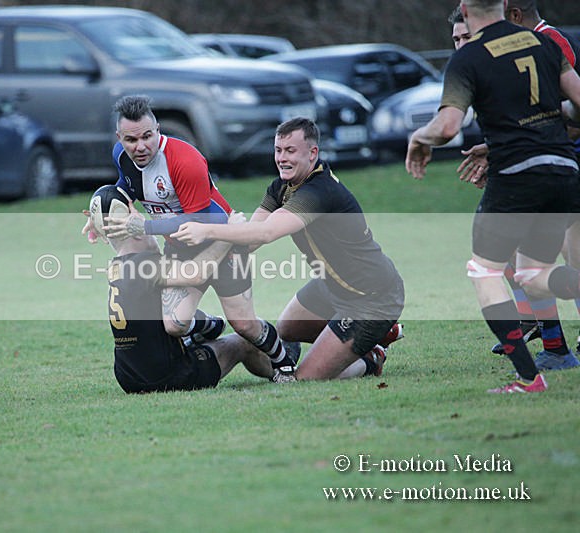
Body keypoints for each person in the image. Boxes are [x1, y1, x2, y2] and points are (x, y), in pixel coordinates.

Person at [405, 0, 580, 393]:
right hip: (565, 172)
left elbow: (449, 126)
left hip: (517, 178)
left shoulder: (469, 58)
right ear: (504, 5)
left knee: (484, 271)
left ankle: (528, 378)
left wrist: (420, 137)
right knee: (533, 277)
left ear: (465, 9)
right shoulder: (543, 44)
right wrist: (551, 122)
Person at [170, 117, 405, 381]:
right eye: (278, 150)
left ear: (312, 153)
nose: (282, 158)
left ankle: (371, 357)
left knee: (306, 378)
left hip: (371, 298)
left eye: (290, 151)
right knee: (286, 329)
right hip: (331, 284)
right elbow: (250, 239)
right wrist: (204, 260)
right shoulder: (281, 187)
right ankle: (371, 335)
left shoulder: (319, 191)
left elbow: (267, 232)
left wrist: (208, 230)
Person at [98, 94, 298, 383]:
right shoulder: (121, 156)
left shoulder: (184, 160)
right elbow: (125, 189)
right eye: (131, 140)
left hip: (223, 239)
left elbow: (205, 222)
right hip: (181, 245)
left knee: (243, 323)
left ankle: (284, 363)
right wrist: (100, 218)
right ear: (120, 137)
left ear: (158, 130)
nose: (140, 146)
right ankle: (211, 328)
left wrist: (146, 227)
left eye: (147, 136)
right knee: (175, 324)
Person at [455, 0, 580, 371]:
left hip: (559, 168)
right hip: (534, 170)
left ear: (511, 16)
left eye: (466, 35)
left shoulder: (547, 42)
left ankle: (553, 350)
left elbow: (552, 116)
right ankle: (552, 345)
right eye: (457, 39)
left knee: (566, 259)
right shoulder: (487, 57)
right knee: (520, 264)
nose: (463, 43)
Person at [90, 187, 274, 393]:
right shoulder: (144, 264)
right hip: (169, 375)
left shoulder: (116, 267)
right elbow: (196, 273)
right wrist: (228, 234)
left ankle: (208, 331)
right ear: (137, 234)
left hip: (127, 376)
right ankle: (281, 369)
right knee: (243, 343)